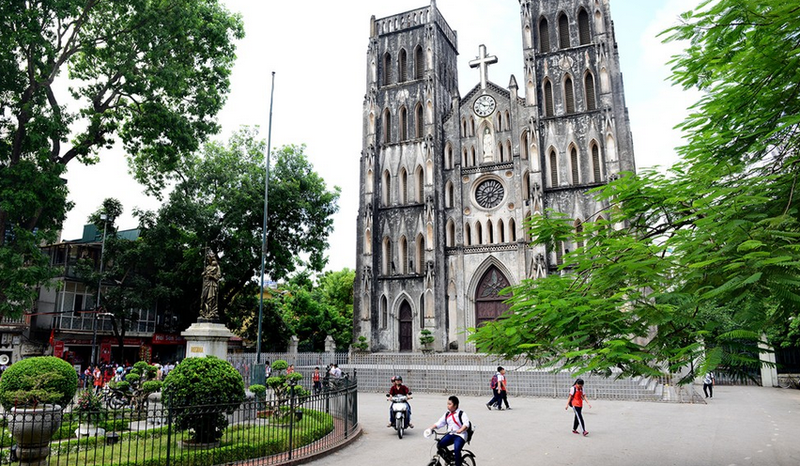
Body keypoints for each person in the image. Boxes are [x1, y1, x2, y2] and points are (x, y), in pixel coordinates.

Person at [429, 396, 471, 466]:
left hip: (460, 435)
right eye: (447, 404)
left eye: (450, 404)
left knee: (457, 449)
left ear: (455, 405)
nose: (448, 406)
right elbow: (439, 423)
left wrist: (461, 430)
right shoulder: (447, 414)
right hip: (451, 434)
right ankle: (449, 459)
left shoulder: (461, 414)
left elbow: (466, 424)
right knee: (440, 445)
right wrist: (430, 429)